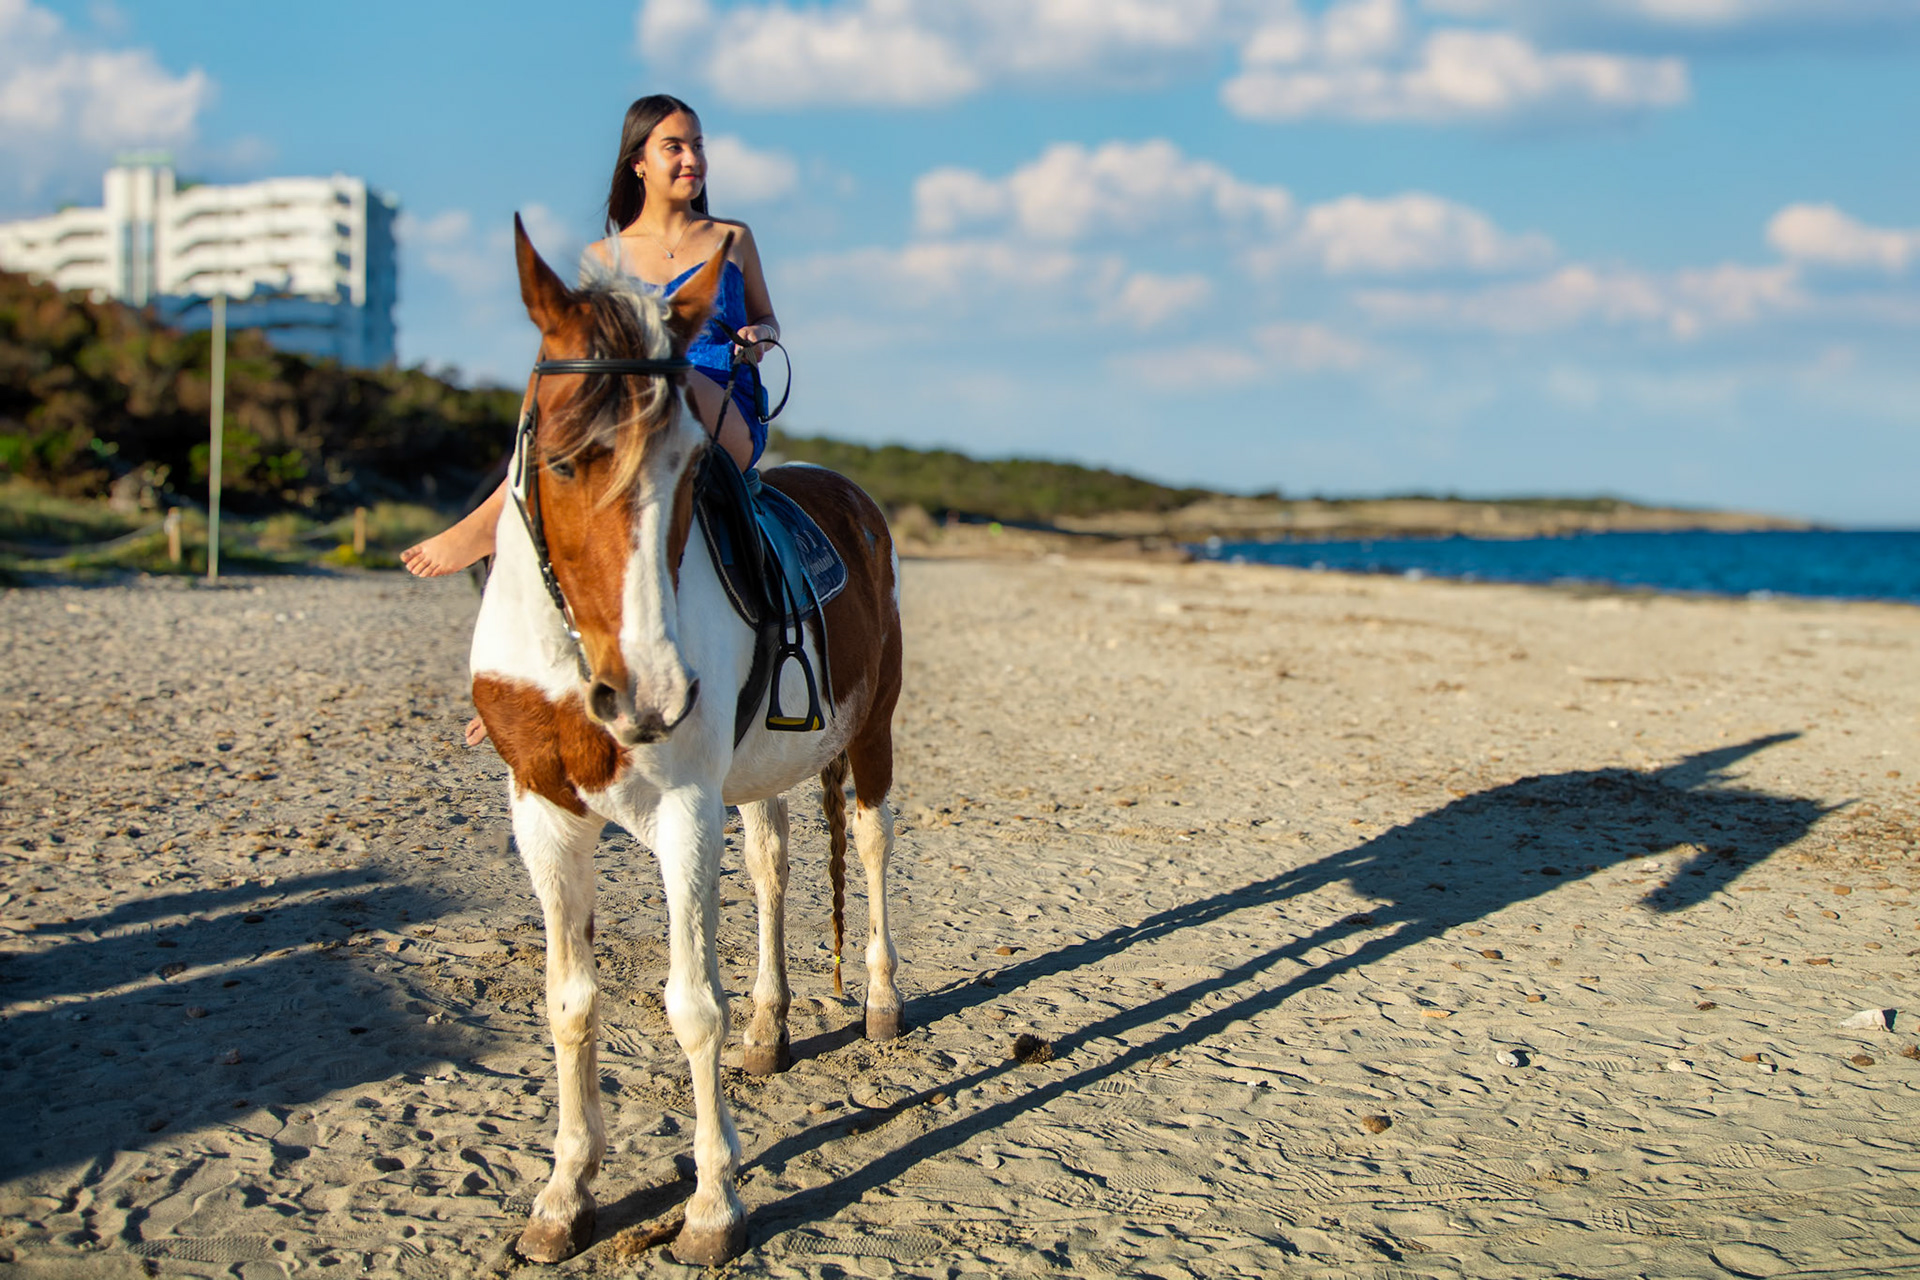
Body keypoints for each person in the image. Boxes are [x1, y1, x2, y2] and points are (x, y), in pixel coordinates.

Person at [401, 95, 780, 746]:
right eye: (674, 147)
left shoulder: (732, 238)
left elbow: (768, 317)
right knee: (562, 387)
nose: (692, 158)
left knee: (662, 371)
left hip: (717, 400)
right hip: (629, 422)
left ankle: (492, 517)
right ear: (638, 163)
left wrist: (758, 335)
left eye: (696, 145)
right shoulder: (602, 258)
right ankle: (531, 673)